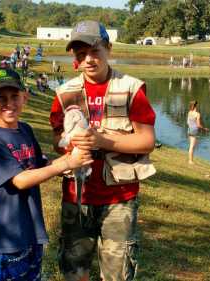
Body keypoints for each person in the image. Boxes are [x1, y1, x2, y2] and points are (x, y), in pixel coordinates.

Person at [49, 20, 156, 281]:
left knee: (117, 273)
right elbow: (56, 140)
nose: (88, 59)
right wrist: (71, 142)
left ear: (108, 48)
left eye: (94, 51)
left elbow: (146, 141)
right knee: (75, 271)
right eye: (80, 54)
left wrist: (101, 141)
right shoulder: (64, 94)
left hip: (119, 198)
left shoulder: (131, 89)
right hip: (76, 197)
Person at [0, 68, 92, 281]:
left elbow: (39, 165)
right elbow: (20, 180)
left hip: (32, 229)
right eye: (0, 98)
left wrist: (69, 163)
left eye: (14, 96)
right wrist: (65, 162)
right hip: (8, 235)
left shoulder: (26, 130)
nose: (8, 103)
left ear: (25, 97)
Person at [187, 100, 208, 164]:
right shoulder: (197, 114)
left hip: (189, 130)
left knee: (191, 145)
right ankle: (190, 161)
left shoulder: (189, 112)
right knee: (192, 146)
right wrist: (204, 129)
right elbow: (198, 125)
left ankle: (190, 159)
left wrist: (191, 126)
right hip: (194, 131)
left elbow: (187, 122)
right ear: (196, 106)